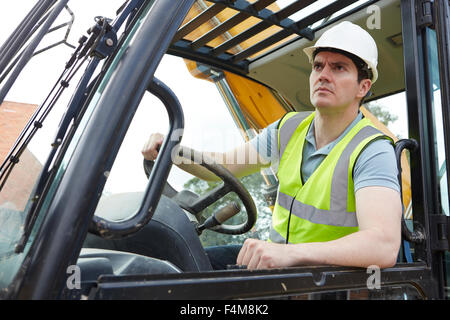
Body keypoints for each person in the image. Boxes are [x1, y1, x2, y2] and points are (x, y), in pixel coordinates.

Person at [142, 21, 402, 271]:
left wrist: (290, 254)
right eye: (318, 66)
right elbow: (220, 167)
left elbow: (383, 246)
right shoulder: (288, 128)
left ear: (363, 87)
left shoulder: (372, 149)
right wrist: (172, 150)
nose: (323, 75)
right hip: (279, 262)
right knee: (175, 264)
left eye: (338, 68)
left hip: (326, 280)